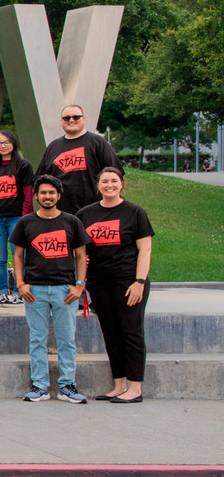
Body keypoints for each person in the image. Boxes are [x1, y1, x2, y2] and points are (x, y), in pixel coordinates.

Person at [11, 174, 90, 403]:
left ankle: (67, 386)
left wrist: (79, 285)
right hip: (34, 290)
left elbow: (81, 256)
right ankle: (40, 387)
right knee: (37, 339)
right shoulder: (26, 222)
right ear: (36, 196)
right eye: (43, 193)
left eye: (51, 193)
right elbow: (17, 255)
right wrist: (20, 284)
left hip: (65, 291)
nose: (47, 196)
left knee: (67, 339)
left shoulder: (72, 221)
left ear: (59, 195)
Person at [78, 167, 153, 404]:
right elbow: (79, 248)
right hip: (99, 282)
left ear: (121, 184)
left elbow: (145, 249)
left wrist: (139, 281)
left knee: (131, 332)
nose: (109, 185)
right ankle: (119, 384)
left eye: (113, 181)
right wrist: (82, 258)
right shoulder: (85, 214)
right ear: (97, 185)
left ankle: (135, 387)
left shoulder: (135, 213)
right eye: (104, 181)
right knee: (111, 333)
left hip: (128, 281)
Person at [38, 103, 121, 214]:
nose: (71, 120)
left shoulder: (97, 142)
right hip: (60, 213)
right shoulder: (53, 147)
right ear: (61, 121)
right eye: (66, 118)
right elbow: (41, 179)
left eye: (76, 117)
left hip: (93, 211)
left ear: (84, 118)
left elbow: (115, 174)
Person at [0, 130, 36, 305]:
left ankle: (19, 290)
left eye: (6, 142)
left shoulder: (23, 166)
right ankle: (3, 292)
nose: (2, 146)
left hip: (17, 218)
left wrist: (25, 217)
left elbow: (29, 194)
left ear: (13, 144)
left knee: (18, 256)